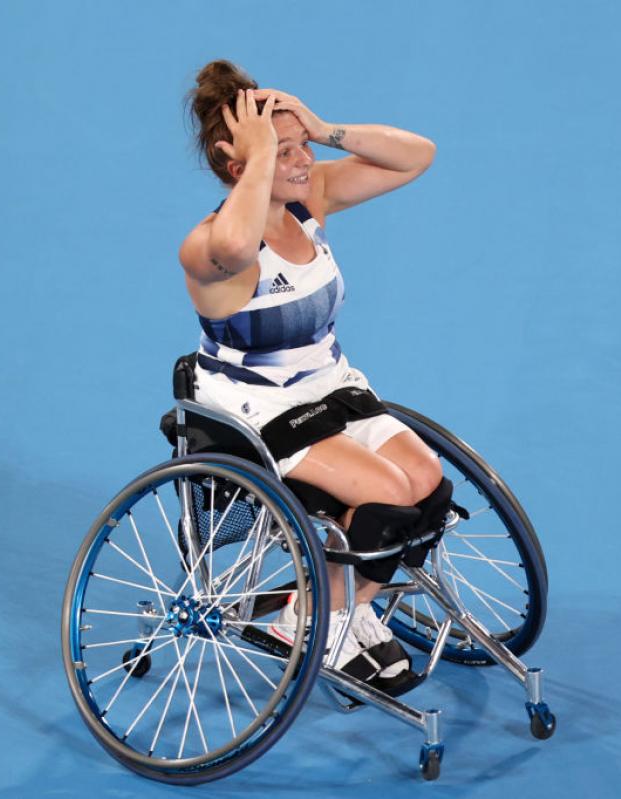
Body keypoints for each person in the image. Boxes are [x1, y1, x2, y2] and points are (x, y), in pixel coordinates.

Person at [180, 60, 448, 689]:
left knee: (428, 486)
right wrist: (259, 155)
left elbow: (417, 156)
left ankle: (349, 608)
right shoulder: (206, 246)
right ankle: (305, 617)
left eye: (301, 149)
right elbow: (241, 247)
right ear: (235, 163)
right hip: (256, 411)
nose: (300, 163)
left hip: (331, 389)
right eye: (283, 152)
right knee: (386, 495)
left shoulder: (306, 201)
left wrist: (322, 130)